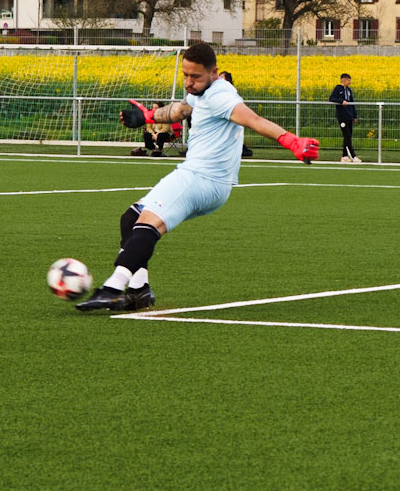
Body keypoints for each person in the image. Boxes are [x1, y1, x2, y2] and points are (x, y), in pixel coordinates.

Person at [76, 41, 319, 315]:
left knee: (146, 224)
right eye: (185, 75)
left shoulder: (221, 95)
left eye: (196, 77)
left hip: (201, 178)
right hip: (208, 182)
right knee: (131, 218)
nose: (189, 82)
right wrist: (148, 117)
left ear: (214, 73)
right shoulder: (201, 93)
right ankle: (138, 290)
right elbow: (181, 110)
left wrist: (292, 141)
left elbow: (253, 119)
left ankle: (111, 288)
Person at [329, 73, 361, 163]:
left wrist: (354, 116)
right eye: (348, 80)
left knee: (348, 136)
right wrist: (341, 101)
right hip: (342, 116)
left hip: (349, 116)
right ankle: (353, 156)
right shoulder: (338, 89)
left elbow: (352, 102)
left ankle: (344, 156)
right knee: (346, 135)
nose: (349, 82)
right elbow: (332, 98)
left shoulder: (349, 90)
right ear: (343, 80)